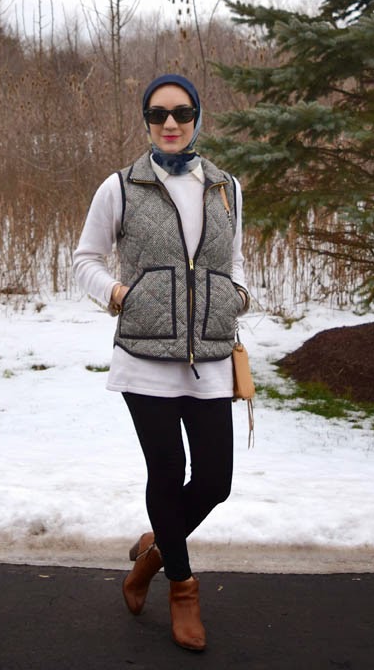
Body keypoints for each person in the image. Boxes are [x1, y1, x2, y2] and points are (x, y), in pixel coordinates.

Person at [73, 73, 249, 652]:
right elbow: (86, 260)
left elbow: (235, 261)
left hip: (210, 355)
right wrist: (119, 294)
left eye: (181, 112)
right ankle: (182, 587)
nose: (170, 123)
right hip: (145, 356)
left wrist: (239, 297)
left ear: (197, 117)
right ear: (146, 121)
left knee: (215, 481)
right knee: (167, 473)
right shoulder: (120, 187)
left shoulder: (226, 187)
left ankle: (151, 554)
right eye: (157, 114)